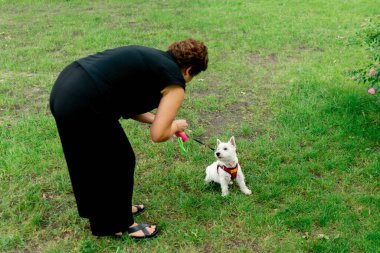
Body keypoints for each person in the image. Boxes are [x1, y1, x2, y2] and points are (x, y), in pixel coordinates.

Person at [49, 39, 208, 239]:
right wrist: (173, 126)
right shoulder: (175, 81)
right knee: (119, 160)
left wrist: (161, 121)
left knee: (91, 160)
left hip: (66, 88)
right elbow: (158, 135)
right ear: (189, 69)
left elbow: (127, 105)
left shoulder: (154, 60)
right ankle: (119, 225)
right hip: (85, 101)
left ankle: (115, 210)